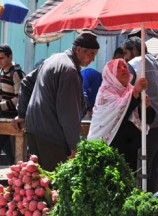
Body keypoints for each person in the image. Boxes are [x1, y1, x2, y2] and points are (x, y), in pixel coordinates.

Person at [25, 31, 100, 171]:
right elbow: (68, 112)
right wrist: (74, 145)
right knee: (55, 184)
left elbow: (26, 82)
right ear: (78, 50)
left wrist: (22, 114)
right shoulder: (69, 70)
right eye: (91, 54)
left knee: (38, 182)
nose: (93, 59)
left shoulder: (53, 59)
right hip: (51, 134)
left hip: (34, 129)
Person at [122, 36, 158, 193]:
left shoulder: (136, 63)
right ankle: (152, 203)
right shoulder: (154, 62)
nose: (124, 57)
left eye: (126, 53)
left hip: (152, 123)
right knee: (153, 170)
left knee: (143, 169)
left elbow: (125, 88)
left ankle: (146, 204)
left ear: (135, 50)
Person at [87, 59, 155, 172]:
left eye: (125, 66)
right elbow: (121, 113)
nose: (123, 69)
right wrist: (134, 94)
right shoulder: (105, 93)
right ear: (110, 74)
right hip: (108, 151)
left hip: (129, 153)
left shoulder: (133, 91)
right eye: (118, 67)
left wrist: (145, 107)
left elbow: (150, 119)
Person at [0, 44, 25, 180]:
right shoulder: (2, 72)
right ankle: (14, 182)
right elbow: (2, 94)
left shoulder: (16, 73)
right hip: (3, 114)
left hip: (15, 116)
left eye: (2, 58)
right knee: (10, 152)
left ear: (10, 57)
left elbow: (18, 99)